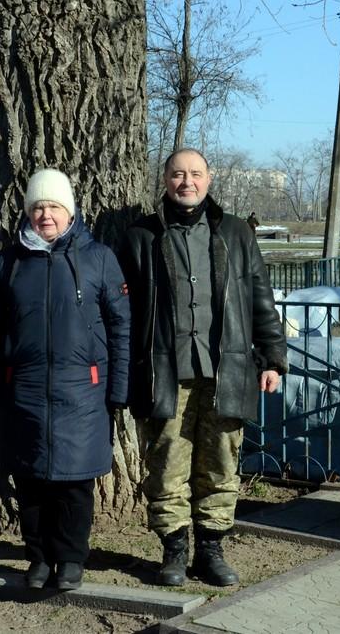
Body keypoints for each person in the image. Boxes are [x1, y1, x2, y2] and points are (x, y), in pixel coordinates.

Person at [120, 148, 287, 587]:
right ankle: (174, 551)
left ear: (209, 179)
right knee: (167, 464)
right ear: (165, 180)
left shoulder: (235, 232)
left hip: (226, 370)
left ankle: (211, 551)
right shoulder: (141, 236)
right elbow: (122, 310)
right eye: (178, 174)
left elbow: (260, 297)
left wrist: (272, 357)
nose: (186, 182)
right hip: (165, 373)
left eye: (195, 174)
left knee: (221, 464)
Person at [0, 169, 129, 591]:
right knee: (30, 484)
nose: (46, 215)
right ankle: (39, 558)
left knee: (75, 485)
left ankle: (72, 559)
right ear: (27, 212)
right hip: (22, 391)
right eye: (38, 207)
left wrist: (118, 389)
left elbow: (120, 327)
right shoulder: (8, 262)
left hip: (83, 393)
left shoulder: (98, 257)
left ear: (70, 212)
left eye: (54, 207)